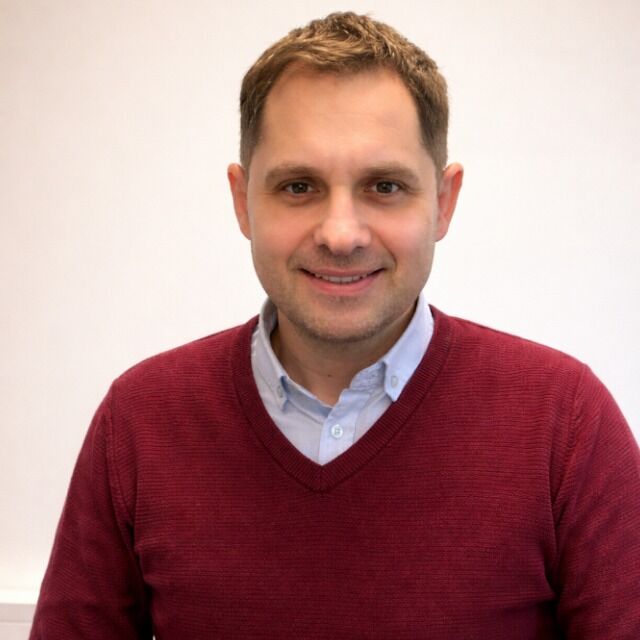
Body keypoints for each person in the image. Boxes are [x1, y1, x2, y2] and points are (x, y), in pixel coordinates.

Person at [30, 11, 640, 639]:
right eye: (299, 186)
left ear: (443, 202)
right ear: (242, 201)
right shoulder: (139, 422)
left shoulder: (566, 424)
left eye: (384, 186)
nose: (341, 234)